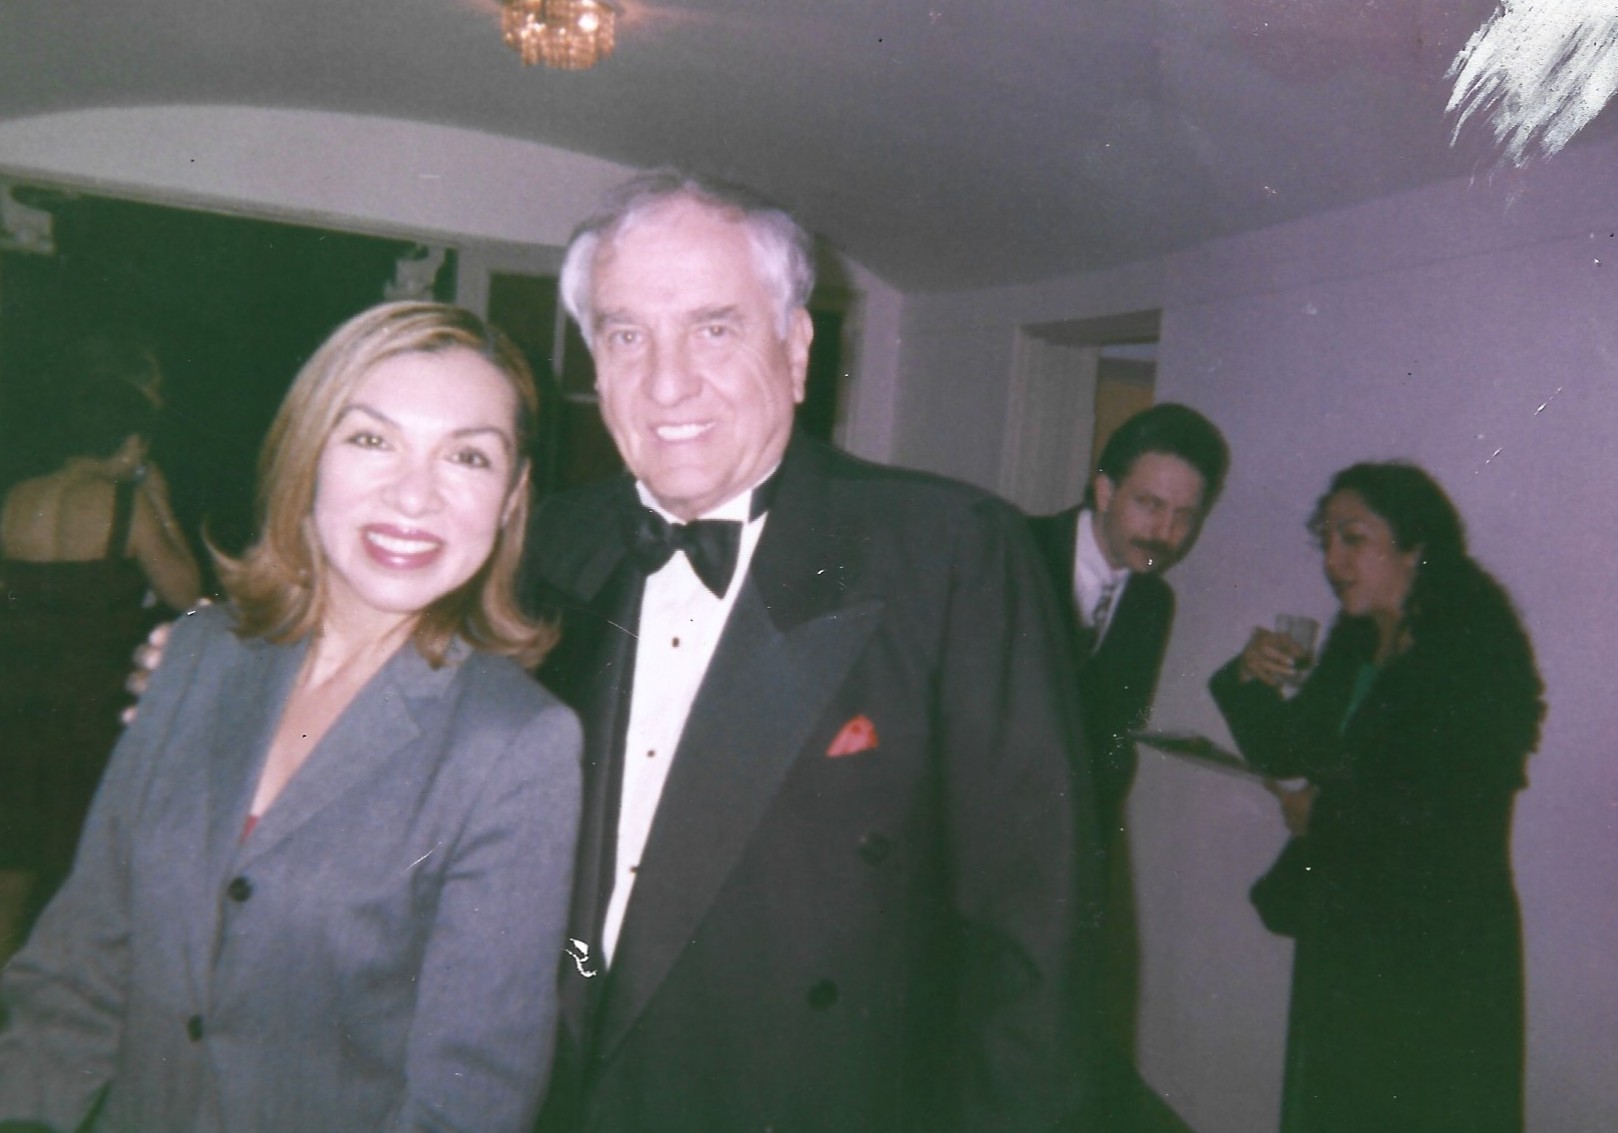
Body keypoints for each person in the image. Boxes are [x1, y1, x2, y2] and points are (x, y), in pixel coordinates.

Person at [527, 171, 1091, 1131]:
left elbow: (1034, 935)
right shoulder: (544, 545)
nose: (666, 382)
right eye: (626, 336)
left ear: (794, 352)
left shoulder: (950, 554)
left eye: (714, 328)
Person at [0, 302, 583, 1133]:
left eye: (467, 455)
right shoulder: (195, 655)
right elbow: (79, 965)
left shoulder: (516, 744)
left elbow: (465, 1101)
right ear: (307, 456)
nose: (413, 494)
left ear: (511, 496)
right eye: (371, 439)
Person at [1210, 462, 1544, 1133]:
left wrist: (1323, 814)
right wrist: (1247, 677)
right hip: (1350, 926)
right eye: (1327, 539)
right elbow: (1287, 749)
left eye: (1352, 537)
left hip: (1434, 945)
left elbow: (1455, 814)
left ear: (1414, 546)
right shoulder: (1361, 638)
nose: (1332, 560)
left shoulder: (1471, 652)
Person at [1027, 402, 1228, 1118]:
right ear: (1104, 489)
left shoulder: (1152, 604)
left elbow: (1110, 742)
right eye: (1149, 504)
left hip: (1074, 856)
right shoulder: (1012, 554)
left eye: (1184, 515)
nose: (1165, 532)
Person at [0, 336, 201, 960]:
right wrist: (160, 502)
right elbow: (188, 596)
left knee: (11, 877)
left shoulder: (17, 497)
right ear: (131, 444)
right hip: (91, 712)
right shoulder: (125, 503)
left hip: (18, 707)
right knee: (85, 876)